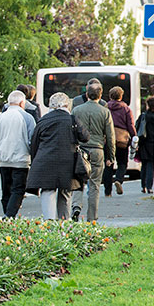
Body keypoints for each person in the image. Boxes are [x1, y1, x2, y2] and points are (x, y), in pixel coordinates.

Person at [27, 92, 90, 220]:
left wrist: (35, 161)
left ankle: (49, 222)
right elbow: (85, 137)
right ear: (67, 105)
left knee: (47, 191)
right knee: (65, 192)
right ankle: (64, 222)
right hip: (67, 161)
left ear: (51, 105)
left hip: (45, 161)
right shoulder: (72, 119)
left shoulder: (43, 120)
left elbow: (34, 144)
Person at [0, 90, 36, 219]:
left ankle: (7, 215)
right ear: (21, 103)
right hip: (21, 160)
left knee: (6, 191)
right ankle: (9, 216)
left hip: (3, 159)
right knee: (18, 190)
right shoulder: (27, 118)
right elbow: (33, 140)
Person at [70, 82, 114, 222]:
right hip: (97, 150)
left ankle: (76, 206)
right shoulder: (104, 112)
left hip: (80, 150)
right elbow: (110, 135)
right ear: (100, 95)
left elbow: (71, 130)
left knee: (78, 181)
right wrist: (111, 156)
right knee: (94, 185)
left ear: (87, 94)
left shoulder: (76, 110)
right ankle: (91, 218)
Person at [106, 86, 136, 196]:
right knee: (122, 163)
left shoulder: (105, 107)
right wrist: (134, 136)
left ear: (110, 96)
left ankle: (107, 191)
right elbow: (130, 125)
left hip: (108, 139)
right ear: (121, 96)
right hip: (122, 140)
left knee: (108, 164)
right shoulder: (126, 108)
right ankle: (118, 179)